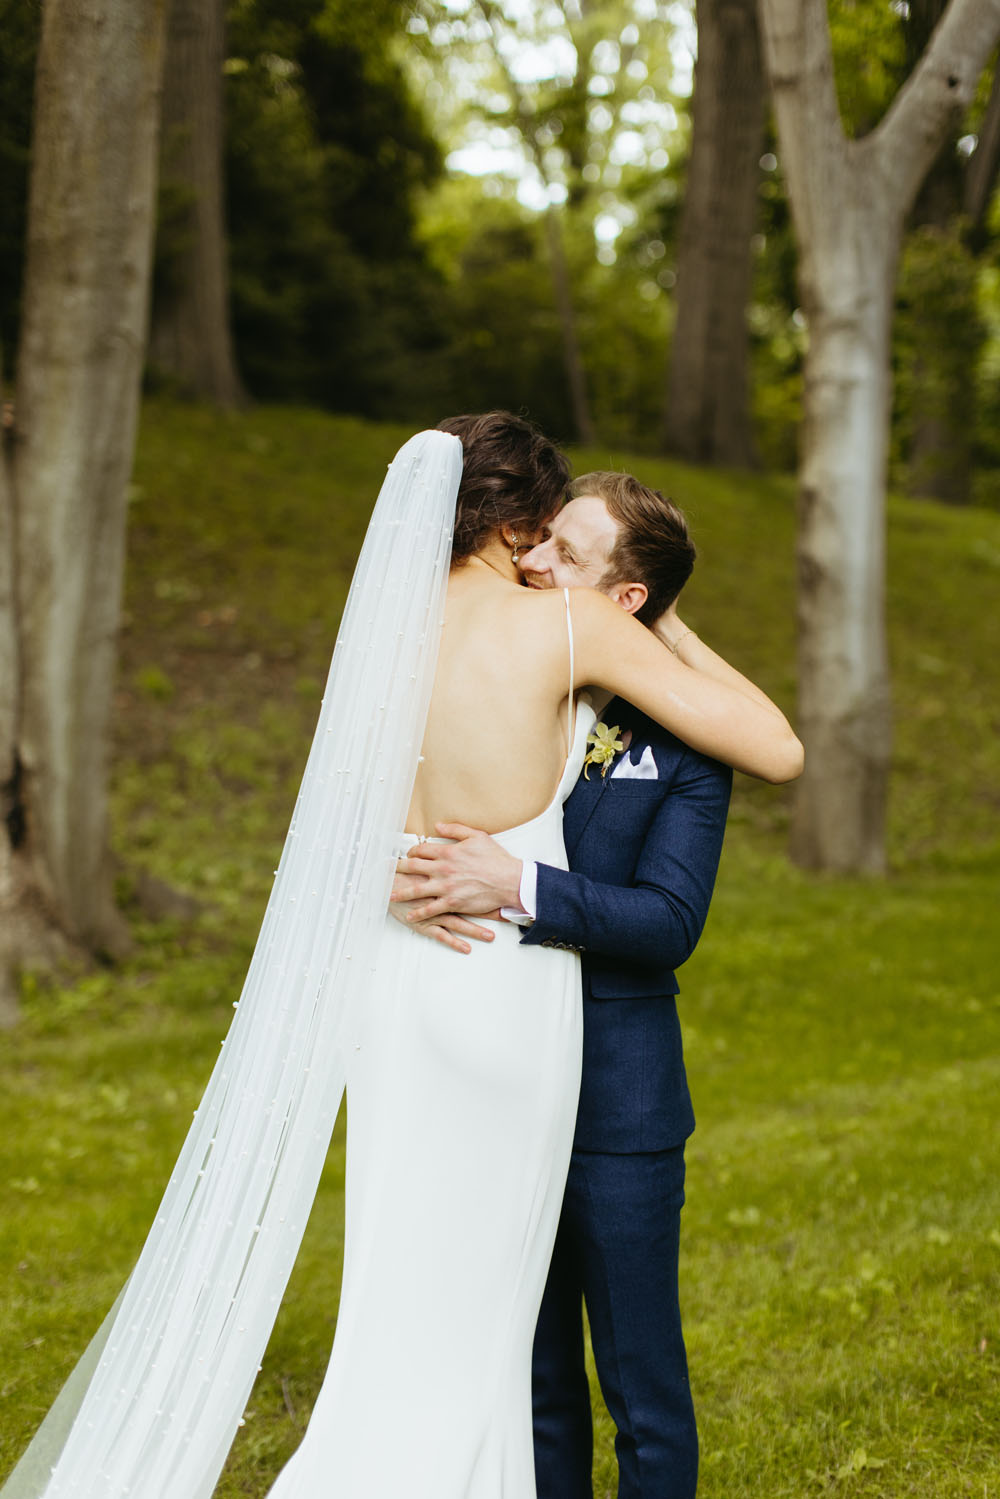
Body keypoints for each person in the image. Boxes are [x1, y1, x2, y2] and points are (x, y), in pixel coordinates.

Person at [2, 415, 801, 1499]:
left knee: (413, 1280)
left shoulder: (386, 627)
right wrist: (653, 620)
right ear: (514, 518)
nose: (540, 561)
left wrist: (393, 863)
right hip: (502, 984)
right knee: (493, 1306)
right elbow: (777, 748)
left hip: (398, 982)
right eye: (543, 536)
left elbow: (348, 816)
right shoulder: (566, 626)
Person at [389, 471, 766, 1498]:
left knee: (640, 1388)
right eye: (542, 535)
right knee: (533, 1376)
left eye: (566, 549)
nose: (533, 557)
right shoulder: (505, 683)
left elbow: (668, 923)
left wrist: (520, 884)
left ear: (627, 603)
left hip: (617, 1099)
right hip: (499, 1085)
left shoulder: (686, 739)